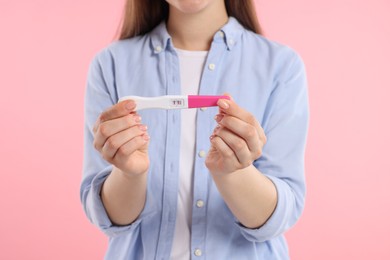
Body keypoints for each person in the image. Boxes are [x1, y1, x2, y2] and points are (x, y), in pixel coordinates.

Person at [80, 0, 309, 259]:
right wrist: (129, 174)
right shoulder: (110, 64)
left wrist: (233, 174)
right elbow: (108, 218)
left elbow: (280, 216)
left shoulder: (281, 67)